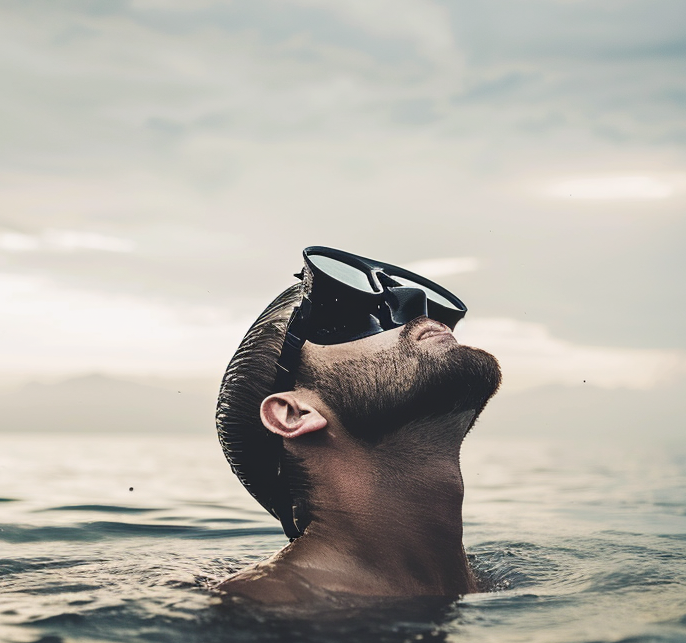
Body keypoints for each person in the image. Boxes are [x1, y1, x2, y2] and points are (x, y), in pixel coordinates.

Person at [214, 246, 501, 604]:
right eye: (343, 318)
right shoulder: (272, 606)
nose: (414, 301)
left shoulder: (497, 580)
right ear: (295, 414)